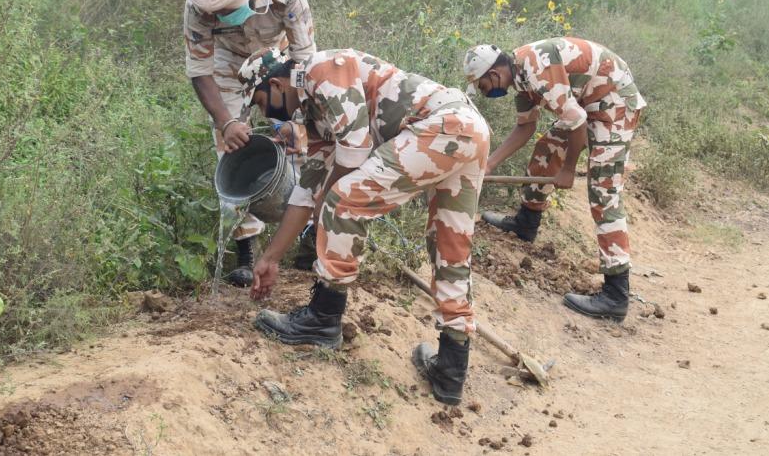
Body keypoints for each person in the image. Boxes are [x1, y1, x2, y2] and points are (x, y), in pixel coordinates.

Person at [239, 48, 489, 406]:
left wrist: (328, 202)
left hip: (444, 125)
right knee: (450, 245)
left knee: (343, 199)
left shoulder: (322, 71)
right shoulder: (317, 113)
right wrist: (271, 257)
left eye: (261, 102)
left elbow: (353, 156)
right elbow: (306, 191)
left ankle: (323, 318)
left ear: (276, 84)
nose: (266, 113)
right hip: (465, 130)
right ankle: (451, 367)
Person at [463, 39, 646, 322]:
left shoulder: (537, 70)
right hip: (588, 104)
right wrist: (490, 164)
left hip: (615, 103)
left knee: (604, 189)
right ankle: (526, 222)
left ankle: (616, 293)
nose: (487, 94)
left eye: (484, 87)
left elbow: (578, 123)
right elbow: (525, 127)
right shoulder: (520, 78)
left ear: (494, 74)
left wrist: (569, 169)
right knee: (546, 152)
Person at [183, 0, 317, 287]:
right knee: (231, 149)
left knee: (298, 141)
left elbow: (304, 58)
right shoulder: (198, 6)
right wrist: (226, 122)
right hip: (227, 66)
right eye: (211, 15)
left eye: (223, 13)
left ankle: (310, 233)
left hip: (279, 61)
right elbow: (200, 70)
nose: (215, 19)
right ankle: (245, 250)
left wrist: (291, 114)